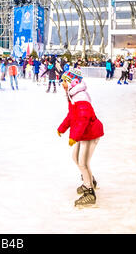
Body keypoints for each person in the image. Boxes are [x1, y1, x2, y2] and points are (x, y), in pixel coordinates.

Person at [57, 68, 104, 207]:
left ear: (72, 82)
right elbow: (72, 116)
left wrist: (74, 137)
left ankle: (89, 191)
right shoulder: (73, 95)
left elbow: (83, 119)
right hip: (83, 133)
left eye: (64, 81)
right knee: (75, 158)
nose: (62, 84)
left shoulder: (80, 97)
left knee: (83, 162)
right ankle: (88, 180)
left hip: (90, 132)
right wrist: (62, 128)